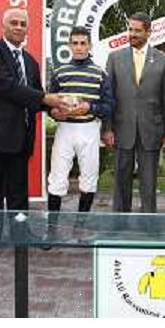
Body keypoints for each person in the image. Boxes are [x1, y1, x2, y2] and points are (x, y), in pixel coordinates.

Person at [0, 7, 67, 258]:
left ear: (27, 28)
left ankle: (20, 234)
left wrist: (53, 110)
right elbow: (6, 86)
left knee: (18, 193)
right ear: (3, 27)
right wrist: (47, 98)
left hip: (20, 137)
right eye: (13, 23)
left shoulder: (31, 62)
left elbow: (35, 98)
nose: (18, 27)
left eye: (22, 23)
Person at [103, 12, 165, 213]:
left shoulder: (164, 60)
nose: (132, 34)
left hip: (151, 130)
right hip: (121, 129)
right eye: (130, 29)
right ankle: (119, 222)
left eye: (137, 30)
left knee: (149, 183)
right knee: (120, 181)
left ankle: (149, 225)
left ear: (148, 32)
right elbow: (109, 98)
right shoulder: (115, 58)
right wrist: (107, 129)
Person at [47, 27, 113, 213]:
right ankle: (52, 228)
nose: (78, 47)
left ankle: (81, 228)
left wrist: (90, 107)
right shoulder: (59, 71)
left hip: (89, 128)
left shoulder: (100, 73)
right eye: (75, 43)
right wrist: (54, 113)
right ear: (69, 45)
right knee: (57, 178)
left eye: (83, 43)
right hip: (65, 129)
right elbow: (49, 103)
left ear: (89, 45)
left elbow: (109, 106)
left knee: (89, 178)